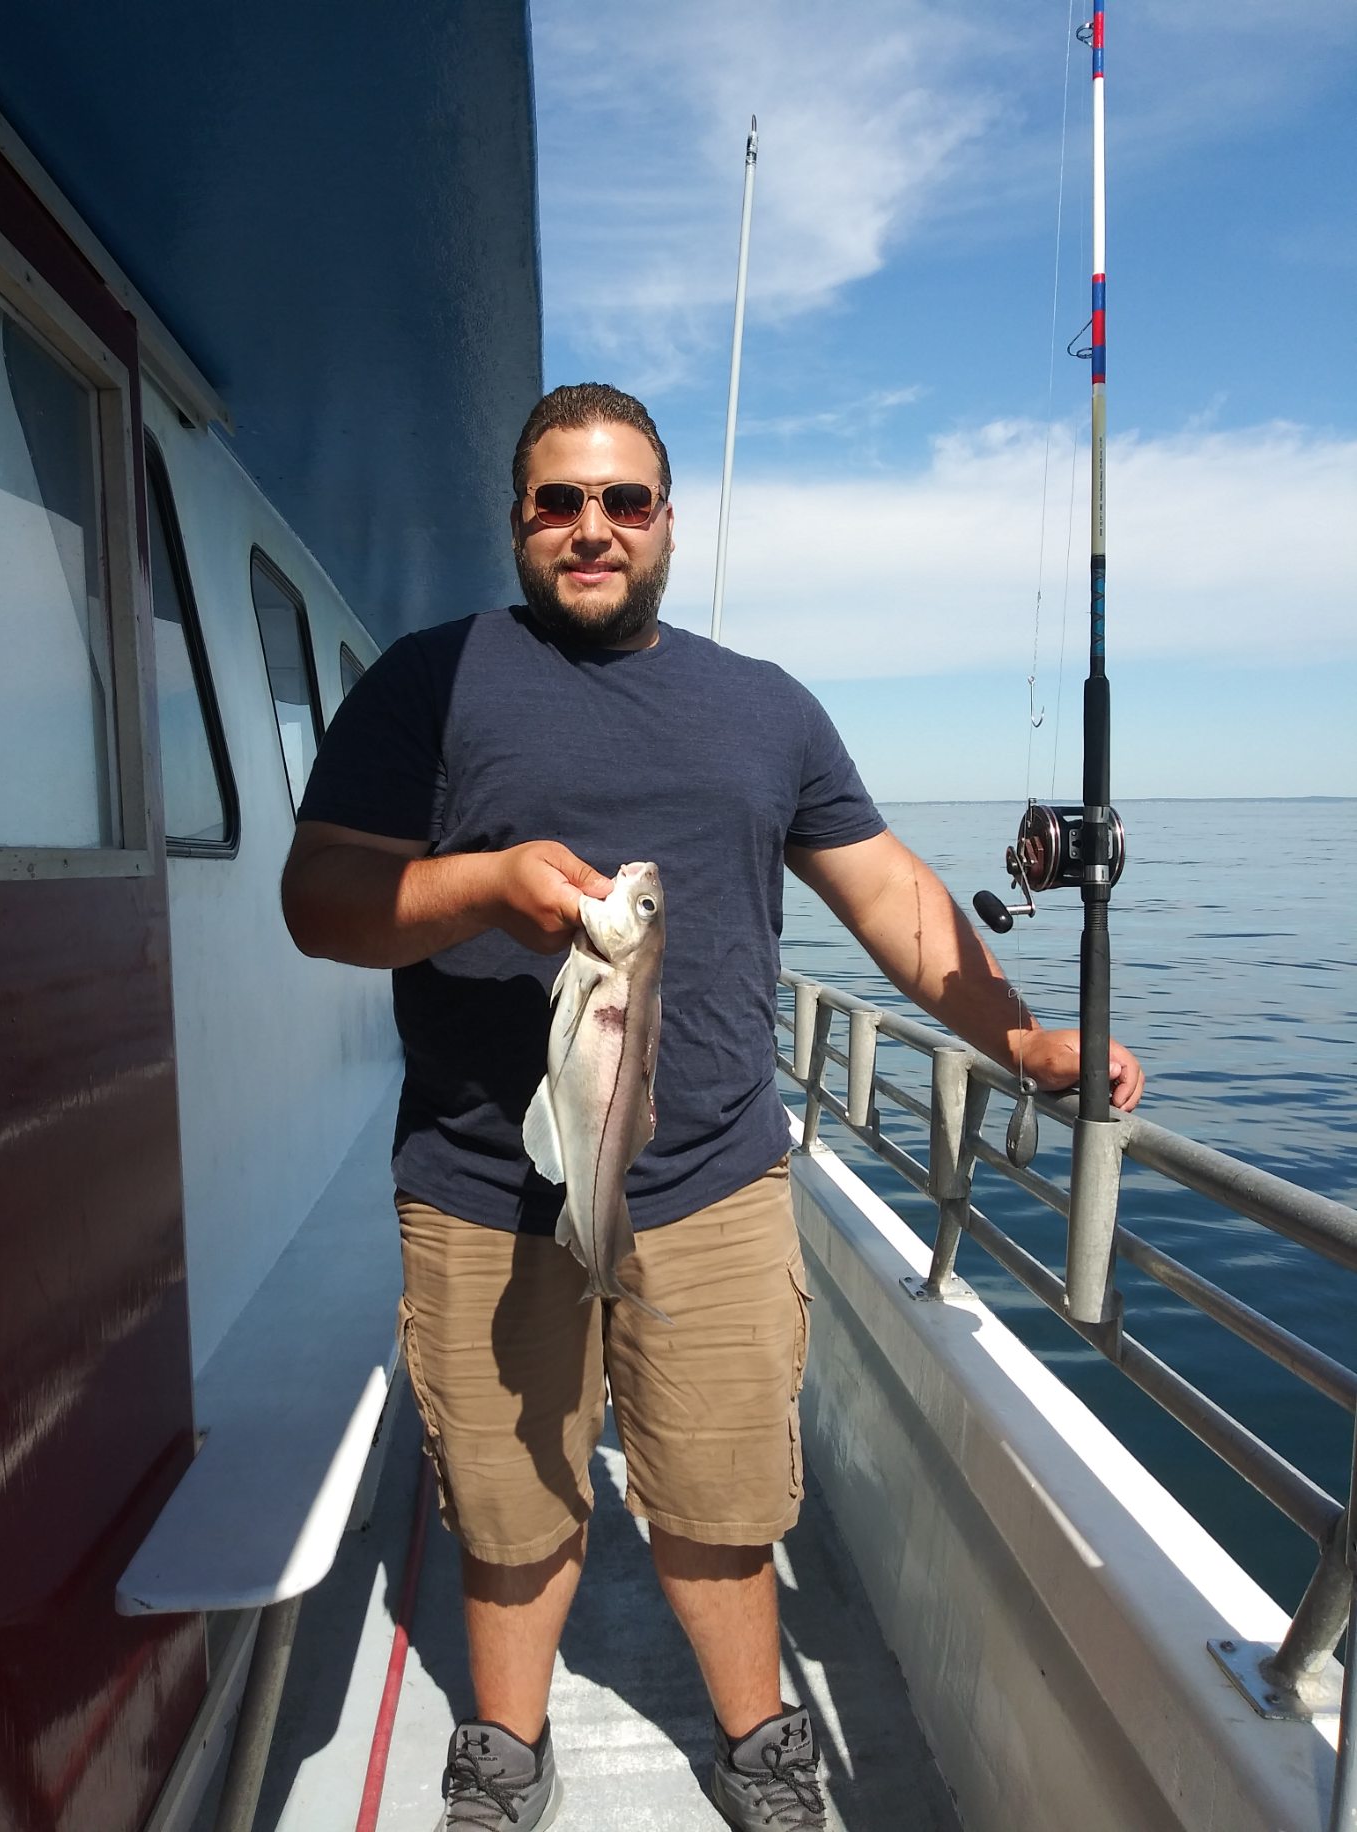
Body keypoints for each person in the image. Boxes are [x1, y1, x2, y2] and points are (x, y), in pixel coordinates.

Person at [282, 382, 1144, 1832]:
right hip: (480, 1186)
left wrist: (1022, 1039)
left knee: (718, 1502)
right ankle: (504, 1748)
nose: (592, 528)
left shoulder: (763, 707)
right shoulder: (427, 683)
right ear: (518, 524)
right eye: (558, 501)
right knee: (508, 1508)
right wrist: (485, 885)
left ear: (667, 522)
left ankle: (759, 1748)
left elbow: (887, 894)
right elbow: (324, 903)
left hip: (715, 1187)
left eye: (623, 501)